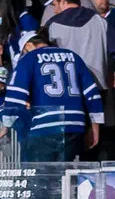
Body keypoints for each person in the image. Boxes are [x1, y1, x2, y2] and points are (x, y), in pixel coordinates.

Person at [6, 31, 104, 161]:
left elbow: (16, 95)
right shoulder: (73, 56)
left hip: (44, 126)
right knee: (66, 177)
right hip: (74, 125)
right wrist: (95, 127)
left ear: (28, 45)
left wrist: (6, 123)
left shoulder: (28, 59)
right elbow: (91, 93)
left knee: (41, 178)